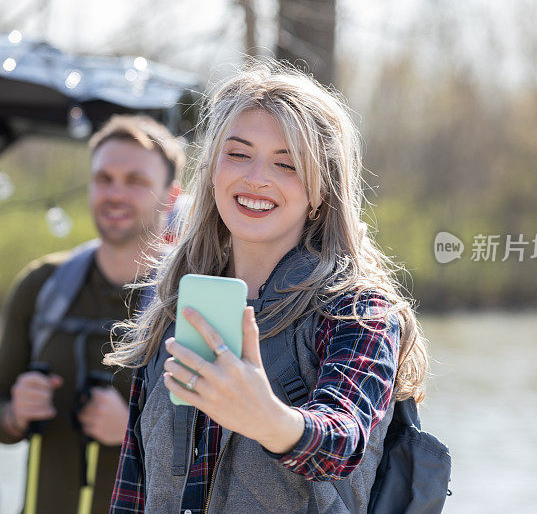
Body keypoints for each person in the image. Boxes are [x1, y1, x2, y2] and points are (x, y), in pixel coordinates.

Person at [104, 62, 429, 513]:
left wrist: (270, 420)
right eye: (238, 154)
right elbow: (132, 488)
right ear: (213, 169)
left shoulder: (359, 311)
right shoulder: (173, 305)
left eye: (286, 163)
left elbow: (343, 439)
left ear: (322, 190)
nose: (257, 178)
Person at [0, 114, 184, 514]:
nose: (115, 193)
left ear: (170, 197)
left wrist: (132, 434)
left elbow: (221, 449)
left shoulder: (189, 300)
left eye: (136, 181)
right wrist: (15, 414)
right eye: (104, 178)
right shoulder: (41, 286)